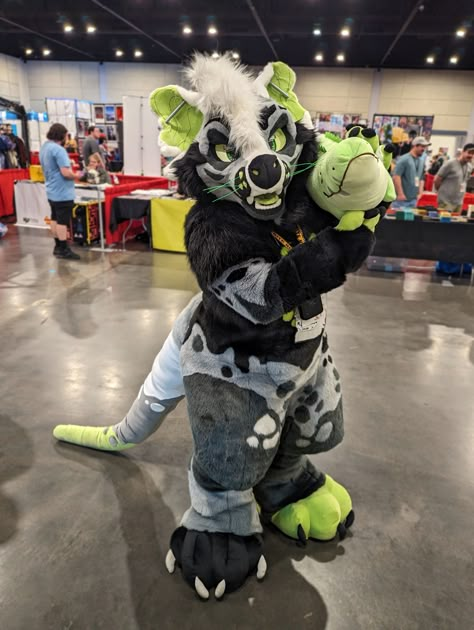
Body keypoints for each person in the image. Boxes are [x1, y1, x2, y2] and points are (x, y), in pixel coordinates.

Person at [39, 123, 81, 260]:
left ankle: (57, 246)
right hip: (62, 191)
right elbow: (65, 173)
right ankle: (64, 249)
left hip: (51, 189)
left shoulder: (44, 147)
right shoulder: (59, 150)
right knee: (63, 221)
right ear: (62, 135)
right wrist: (77, 175)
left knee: (55, 218)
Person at [434, 143, 474, 212]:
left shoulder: (470, 167)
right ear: (463, 152)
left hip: (459, 202)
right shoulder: (450, 164)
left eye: (473, 154)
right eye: (469, 152)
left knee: (457, 222)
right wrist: (441, 192)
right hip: (445, 202)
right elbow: (437, 179)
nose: (471, 155)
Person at [392, 136, 430, 209]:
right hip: (401, 201)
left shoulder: (420, 161)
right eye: (422, 147)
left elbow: (421, 178)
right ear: (415, 146)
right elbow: (396, 176)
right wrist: (400, 194)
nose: (424, 149)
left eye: (425, 147)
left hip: (413, 200)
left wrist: (420, 193)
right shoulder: (404, 159)